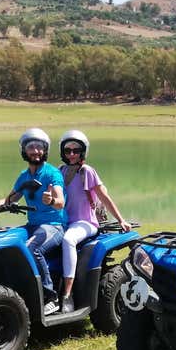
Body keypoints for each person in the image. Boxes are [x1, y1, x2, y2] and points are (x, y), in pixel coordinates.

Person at [0, 128, 66, 315]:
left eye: (39, 147)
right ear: (24, 150)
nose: (35, 151)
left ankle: (50, 296)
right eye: (31, 147)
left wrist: (51, 200)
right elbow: (8, 201)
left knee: (32, 248)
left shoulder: (52, 174)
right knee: (4, 243)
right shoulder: (24, 177)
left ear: (45, 150)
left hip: (53, 226)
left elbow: (61, 202)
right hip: (32, 225)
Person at [58, 130, 131, 313]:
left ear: (83, 152)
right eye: (68, 150)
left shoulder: (87, 171)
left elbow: (104, 197)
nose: (72, 154)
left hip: (85, 222)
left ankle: (68, 294)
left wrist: (121, 220)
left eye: (76, 150)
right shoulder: (60, 171)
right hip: (64, 222)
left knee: (68, 240)